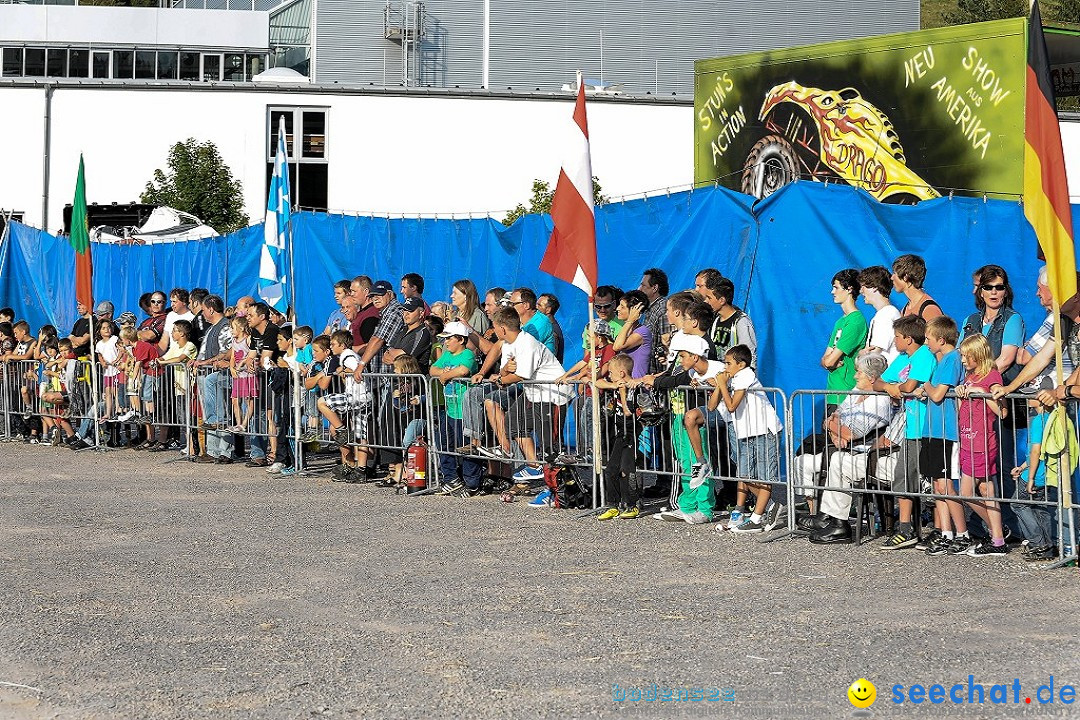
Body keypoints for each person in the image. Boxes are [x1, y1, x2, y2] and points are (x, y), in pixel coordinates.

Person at [802, 354, 894, 544]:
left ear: (871, 377)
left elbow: (852, 433)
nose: (854, 376)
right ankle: (822, 514)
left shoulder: (879, 401)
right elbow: (836, 415)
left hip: (867, 453)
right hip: (847, 447)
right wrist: (835, 433)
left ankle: (838, 523)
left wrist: (833, 427)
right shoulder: (856, 392)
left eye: (858, 372)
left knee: (837, 460)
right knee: (804, 461)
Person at [873, 314, 937, 550]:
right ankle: (905, 528)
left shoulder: (923, 356)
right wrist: (892, 388)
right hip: (910, 428)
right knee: (903, 477)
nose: (895, 341)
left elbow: (910, 387)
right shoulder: (902, 357)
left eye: (897, 337)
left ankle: (941, 530)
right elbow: (878, 383)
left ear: (909, 339)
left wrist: (896, 389)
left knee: (932, 482)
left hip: (927, 427)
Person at [488, 307, 569, 485]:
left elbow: (520, 375)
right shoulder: (508, 343)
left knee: (550, 443)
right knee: (513, 422)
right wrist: (503, 373)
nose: (493, 331)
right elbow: (504, 371)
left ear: (502, 328)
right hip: (534, 393)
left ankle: (556, 488)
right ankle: (534, 465)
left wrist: (502, 380)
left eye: (494, 327)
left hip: (553, 395)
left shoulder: (527, 343)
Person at [710, 345, 784, 533]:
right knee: (745, 475)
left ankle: (757, 519)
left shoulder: (746, 375)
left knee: (764, 475)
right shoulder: (734, 378)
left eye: (728, 363)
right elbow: (712, 407)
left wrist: (722, 385)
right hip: (747, 432)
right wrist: (721, 385)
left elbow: (732, 405)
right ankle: (772, 506)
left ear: (741, 364)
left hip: (764, 430)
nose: (725, 367)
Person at [912, 316, 966, 555]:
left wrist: (925, 387)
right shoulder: (941, 360)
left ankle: (962, 533)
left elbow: (937, 394)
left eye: (929, 339)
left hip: (946, 431)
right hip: (932, 430)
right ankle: (946, 533)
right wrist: (928, 390)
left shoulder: (953, 359)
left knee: (946, 485)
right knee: (937, 485)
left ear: (941, 340)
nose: (926, 343)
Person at [955, 334, 1009, 557]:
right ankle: (998, 535)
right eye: (962, 356)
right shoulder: (970, 375)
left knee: (967, 493)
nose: (964, 360)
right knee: (986, 490)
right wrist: (960, 394)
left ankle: (997, 534)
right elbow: (962, 409)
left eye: (967, 356)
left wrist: (983, 394)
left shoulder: (992, 375)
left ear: (979, 355)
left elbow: (1003, 412)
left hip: (982, 442)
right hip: (968, 439)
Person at [659, 333, 719, 524]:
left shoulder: (715, 369)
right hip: (681, 418)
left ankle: (705, 507)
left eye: (683, 356)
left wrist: (714, 385)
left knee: (699, 463)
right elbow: (673, 380)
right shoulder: (690, 373)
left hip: (698, 422)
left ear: (695, 356)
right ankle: (686, 505)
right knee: (686, 461)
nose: (680, 359)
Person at [430, 321, 483, 497]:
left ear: (460, 339)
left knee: (466, 448)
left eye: (449, 339)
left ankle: (472, 483)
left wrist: (445, 374)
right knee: (445, 444)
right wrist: (442, 373)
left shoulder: (467, 353)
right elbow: (432, 369)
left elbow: (463, 370)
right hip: (450, 409)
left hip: (464, 412)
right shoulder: (447, 355)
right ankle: (451, 479)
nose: (446, 343)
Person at [316, 330, 372, 483]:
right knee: (361, 436)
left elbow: (357, 369)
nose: (331, 347)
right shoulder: (348, 355)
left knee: (322, 402)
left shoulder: (347, 355)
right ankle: (361, 470)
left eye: (333, 344)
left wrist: (343, 370)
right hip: (361, 398)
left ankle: (342, 430)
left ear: (342, 345)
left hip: (355, 397)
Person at [595, 353, 644, 520]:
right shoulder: (615, 384)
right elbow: (597, 381)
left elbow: (627, 411)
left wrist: (623, 391)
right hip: (620, 434)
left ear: (622, 373)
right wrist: (612, 385)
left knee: (626, 470)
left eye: (612, 373)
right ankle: (613, 505)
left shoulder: (634, 388)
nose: (609, 376)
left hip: (632, 434)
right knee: (611, 470)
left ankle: (632, 504)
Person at [1011, 396, 1056, 561]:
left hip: (1035, 475)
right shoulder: (1053, 417)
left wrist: (1029, 477)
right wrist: (1023, 466)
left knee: (1017, 503)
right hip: (1045, 474)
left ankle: (1037, 543)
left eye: (1032, 396)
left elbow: (1036, 451)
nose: (1027, 398)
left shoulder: (1039, 421)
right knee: (1039, 508)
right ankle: (1047, 547)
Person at [821, 269, 868, 413]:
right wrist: (829, 361)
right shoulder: (840, 322)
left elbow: (829, 361)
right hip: (832, 395)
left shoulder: (855, 322)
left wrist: (830, 361)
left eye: (836, 287)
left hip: (845, 395)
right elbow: (824, 360)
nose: (832, 292)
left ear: (849, 289)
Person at [700, 271, 757, 366]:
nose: (707, 301)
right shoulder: (715, 320)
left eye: (709, 298)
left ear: (722, 300)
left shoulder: (741, 322)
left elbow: (749, 354)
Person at [857, 266, 901, 362]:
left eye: (863, 287)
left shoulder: (885, 315)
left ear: (874, 287)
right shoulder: (886, 313)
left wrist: (860, 356)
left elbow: (874, 354)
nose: (861, 291)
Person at [612, 290, 653, 379]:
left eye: (622, 307)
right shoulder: (627, 330)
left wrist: (630, 320)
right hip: (625, 384)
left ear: (635, 310)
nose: (617, 308)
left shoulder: (642, 332)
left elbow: (617, 346)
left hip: (637, 386)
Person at [892, 254, 943, 321]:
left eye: (894, 273)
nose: (892, 277)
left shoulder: (929, 310)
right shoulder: (905, 309)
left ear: (905, 277)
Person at [639, 267, 670, 374]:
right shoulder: (649, 309)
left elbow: (667, 344)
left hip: (659, 374)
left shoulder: (663, 310)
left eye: (643, 285)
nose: (639, 289)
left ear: (654, 288)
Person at [228, 316, 256, 434]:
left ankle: (245, 423)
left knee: (248, 400)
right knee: (234, 399)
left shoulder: (248, 339)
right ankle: (238, 424)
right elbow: (233, 357)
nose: (231, 330)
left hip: (248, 375)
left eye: (233, 328)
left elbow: (252, 354)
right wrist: (231, 367)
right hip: (238, 375)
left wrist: (243, 363)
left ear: (241, 328)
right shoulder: (234, 341)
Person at [510, 288, 557, 355]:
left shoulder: (541, 322)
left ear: (526, 305)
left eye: (513, 304)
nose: (510, 307)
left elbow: (523, 349)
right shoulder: (518, 320)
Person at [95, 318, 123, 421]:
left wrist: (117, 359)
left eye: (108, 327)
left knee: (116, 391)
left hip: (116, 370)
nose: (106, 330)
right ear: (99, 331)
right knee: (108, 392)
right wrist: (102, 363)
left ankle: (118, 410)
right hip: (107, 372)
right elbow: (100, 355)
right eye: (103, 328)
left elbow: (121, 350)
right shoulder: (99, 344)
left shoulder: (115, 339)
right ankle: (108, 413)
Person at [537, 293, 564, 363]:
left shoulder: (552, 332)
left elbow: (549, 359)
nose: (535, 307)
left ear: (548, 310)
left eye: (539, 305)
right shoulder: (543, 326)